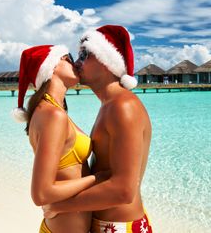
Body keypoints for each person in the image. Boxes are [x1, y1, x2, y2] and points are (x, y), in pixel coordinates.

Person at [43, 25, 153, 233]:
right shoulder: (110, 105)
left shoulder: (123, 107)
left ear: (107, 62)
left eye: (85, 55)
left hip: (120, 227)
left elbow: (123, 190)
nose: (77, 62)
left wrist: (59, 206)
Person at [11, 44, 103, 233]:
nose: (75, 63)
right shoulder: (52, 115)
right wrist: (97, 179)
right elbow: (41, 193)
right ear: (52, 66)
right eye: (68, 58)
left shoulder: (50, 111)